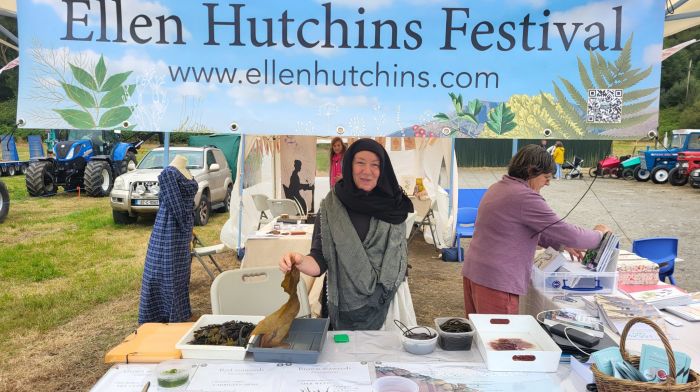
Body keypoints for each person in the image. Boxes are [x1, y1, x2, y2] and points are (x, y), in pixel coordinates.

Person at [280, 138, 415, 331]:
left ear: (383, 169)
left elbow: (398, 258)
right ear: (349, 164)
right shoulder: (331, 206)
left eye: (375, 165)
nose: (367, 171)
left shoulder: (394, 205)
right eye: (360, 163)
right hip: (345, 307)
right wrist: (299, 260)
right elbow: (320, 259)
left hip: (389, 303)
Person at [462, 144, 610, 315]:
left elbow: (521, 230)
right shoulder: (524, 197)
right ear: (531, 171)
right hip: (497, 281)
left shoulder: (499, 187)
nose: (548, 183)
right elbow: (569, 233)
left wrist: (562, 244)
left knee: (481, 335)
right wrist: (600, 234)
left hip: (477, 272)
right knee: (499, 339)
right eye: (546, 177)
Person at [138, 155, 198, 324]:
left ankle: (181, 313)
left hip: (183, 228)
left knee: (180, 274)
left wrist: (188, 229)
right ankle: (162, 315)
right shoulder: (169, 173)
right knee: (167, 272)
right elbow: (176, 206)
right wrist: (187, 226)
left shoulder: (185, 171)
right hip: (170, 228)